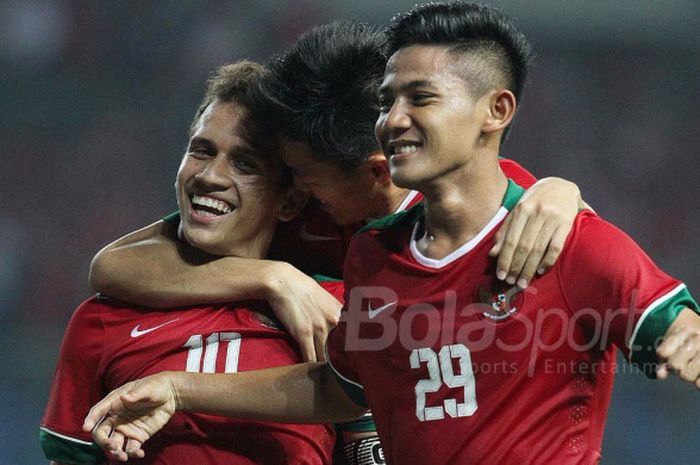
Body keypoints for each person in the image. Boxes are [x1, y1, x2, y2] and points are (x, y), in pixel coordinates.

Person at [83, 3, 700, 465]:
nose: (394, 119)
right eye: (388, 101)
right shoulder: (371, 256)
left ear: (496, 111)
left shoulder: (556, 236)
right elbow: (338, 386)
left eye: (419, 98)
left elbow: (672, 326)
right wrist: (187, 377)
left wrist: (686, 338)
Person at [88, 21, 586, 363]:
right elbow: (113, 267)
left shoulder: (473, 202)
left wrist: (562, 193)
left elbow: (585, 251)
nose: (295, 187)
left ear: (376, 172)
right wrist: (273, 277)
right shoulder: (297, 214)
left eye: (304, 172)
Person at [41, 61, 344, 465]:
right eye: (201, 151)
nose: (210, 176)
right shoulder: (101, 319)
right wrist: (272, 276)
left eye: (245, 163)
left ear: (289, 200)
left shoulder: (328, 306)